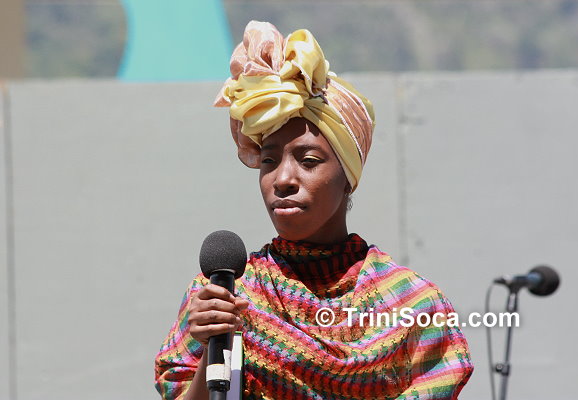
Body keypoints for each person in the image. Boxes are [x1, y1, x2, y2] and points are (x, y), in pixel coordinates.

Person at [154, 21, 473, 400]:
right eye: (269, 161)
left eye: (308, 161)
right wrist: (212, 348)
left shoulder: (413, 306)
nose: (282, 179)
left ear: (348, 176)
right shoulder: (226, 297)